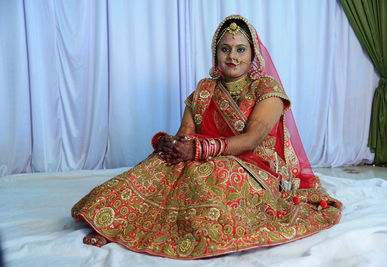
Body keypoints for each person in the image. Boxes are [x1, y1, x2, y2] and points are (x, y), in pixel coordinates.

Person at [71, 14, 342, 259]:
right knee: (161, 163)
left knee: (209, 173)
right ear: (216, 54)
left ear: (253, 54)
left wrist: (199, 151)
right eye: (225, 49)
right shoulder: (204, 90)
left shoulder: (266, 88)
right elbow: (185, 135)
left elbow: (251, 139)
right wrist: (170, 143)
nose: (232, 57)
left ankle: (187, 230)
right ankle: (117, 223)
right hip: (206, 155)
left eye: (240, 50)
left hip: (256, 166)